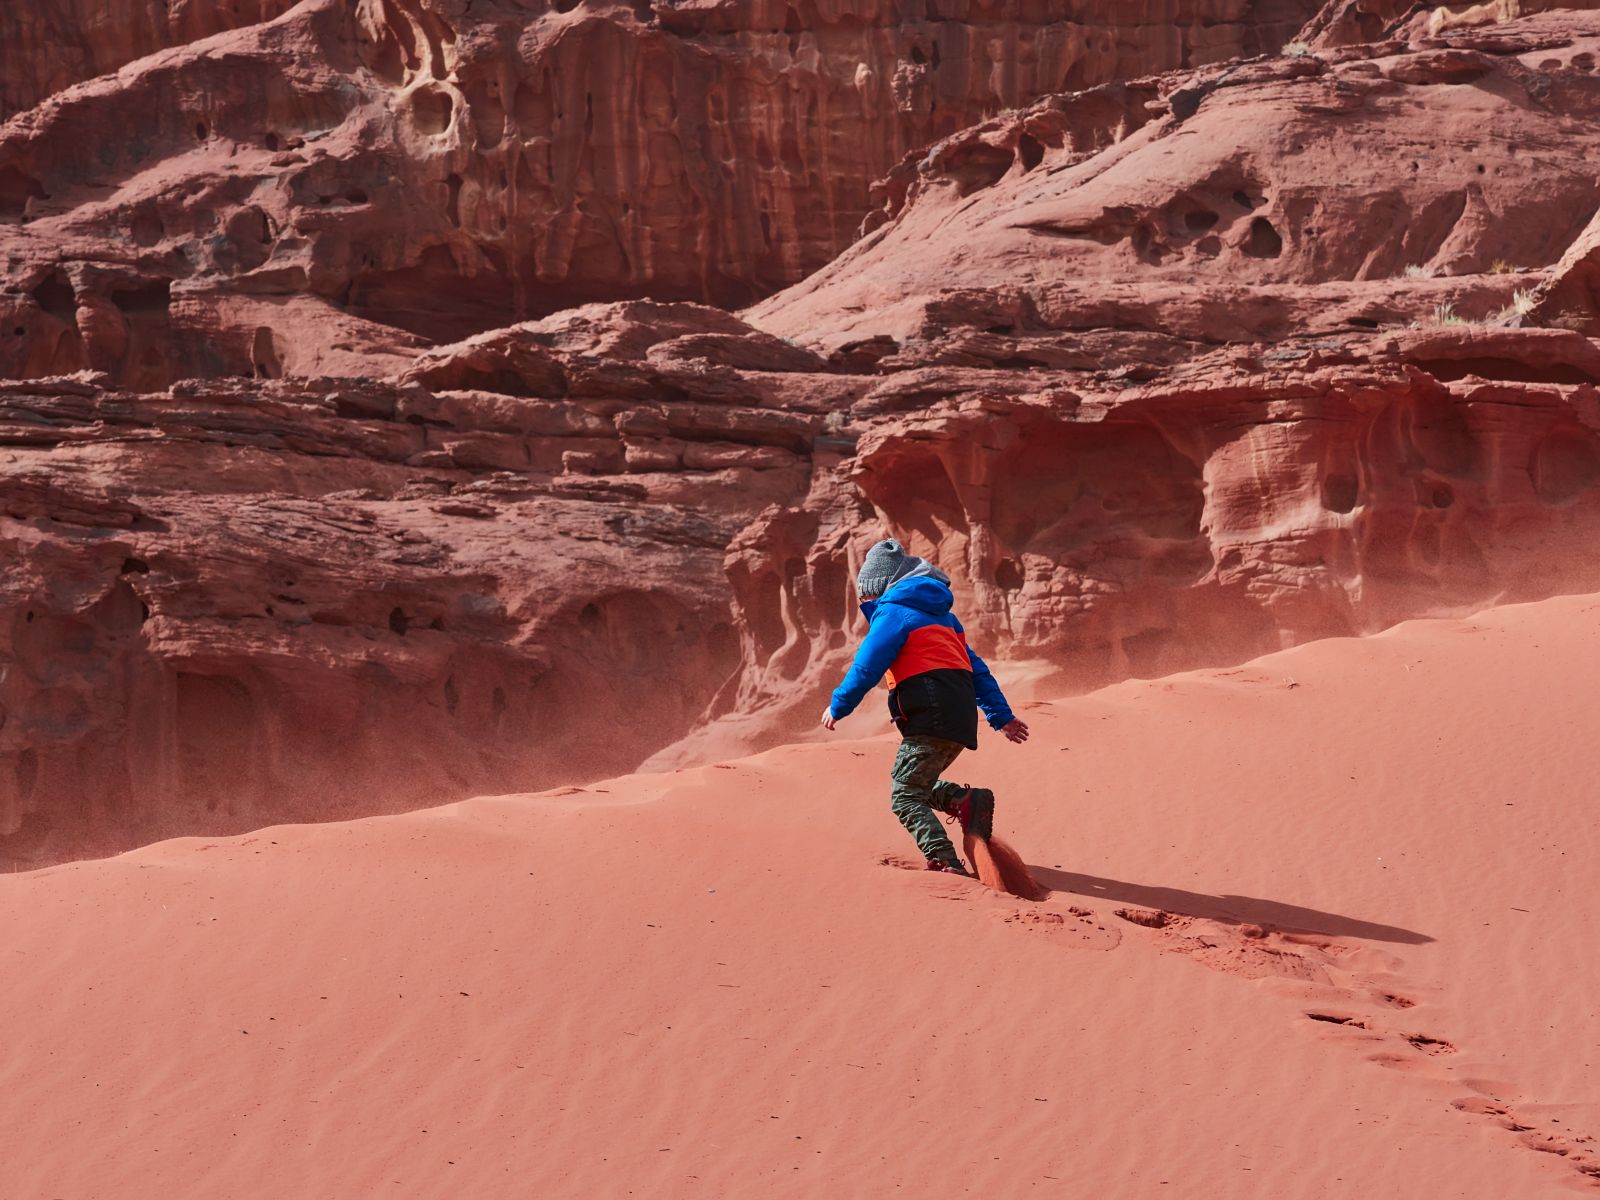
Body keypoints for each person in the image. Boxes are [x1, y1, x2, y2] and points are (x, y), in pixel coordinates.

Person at [820, 539, 1030, 874]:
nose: (866, 602)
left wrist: (839, 705)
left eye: (867, 594)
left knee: (903, 795)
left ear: (880, 588)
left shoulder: (893, 613)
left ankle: (943, 858)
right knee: (911, 783)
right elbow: (978, 671)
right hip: (958, 721)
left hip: (930, 716)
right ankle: (963, 801)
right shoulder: (947, 621)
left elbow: (867, 665)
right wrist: (1000, 717)